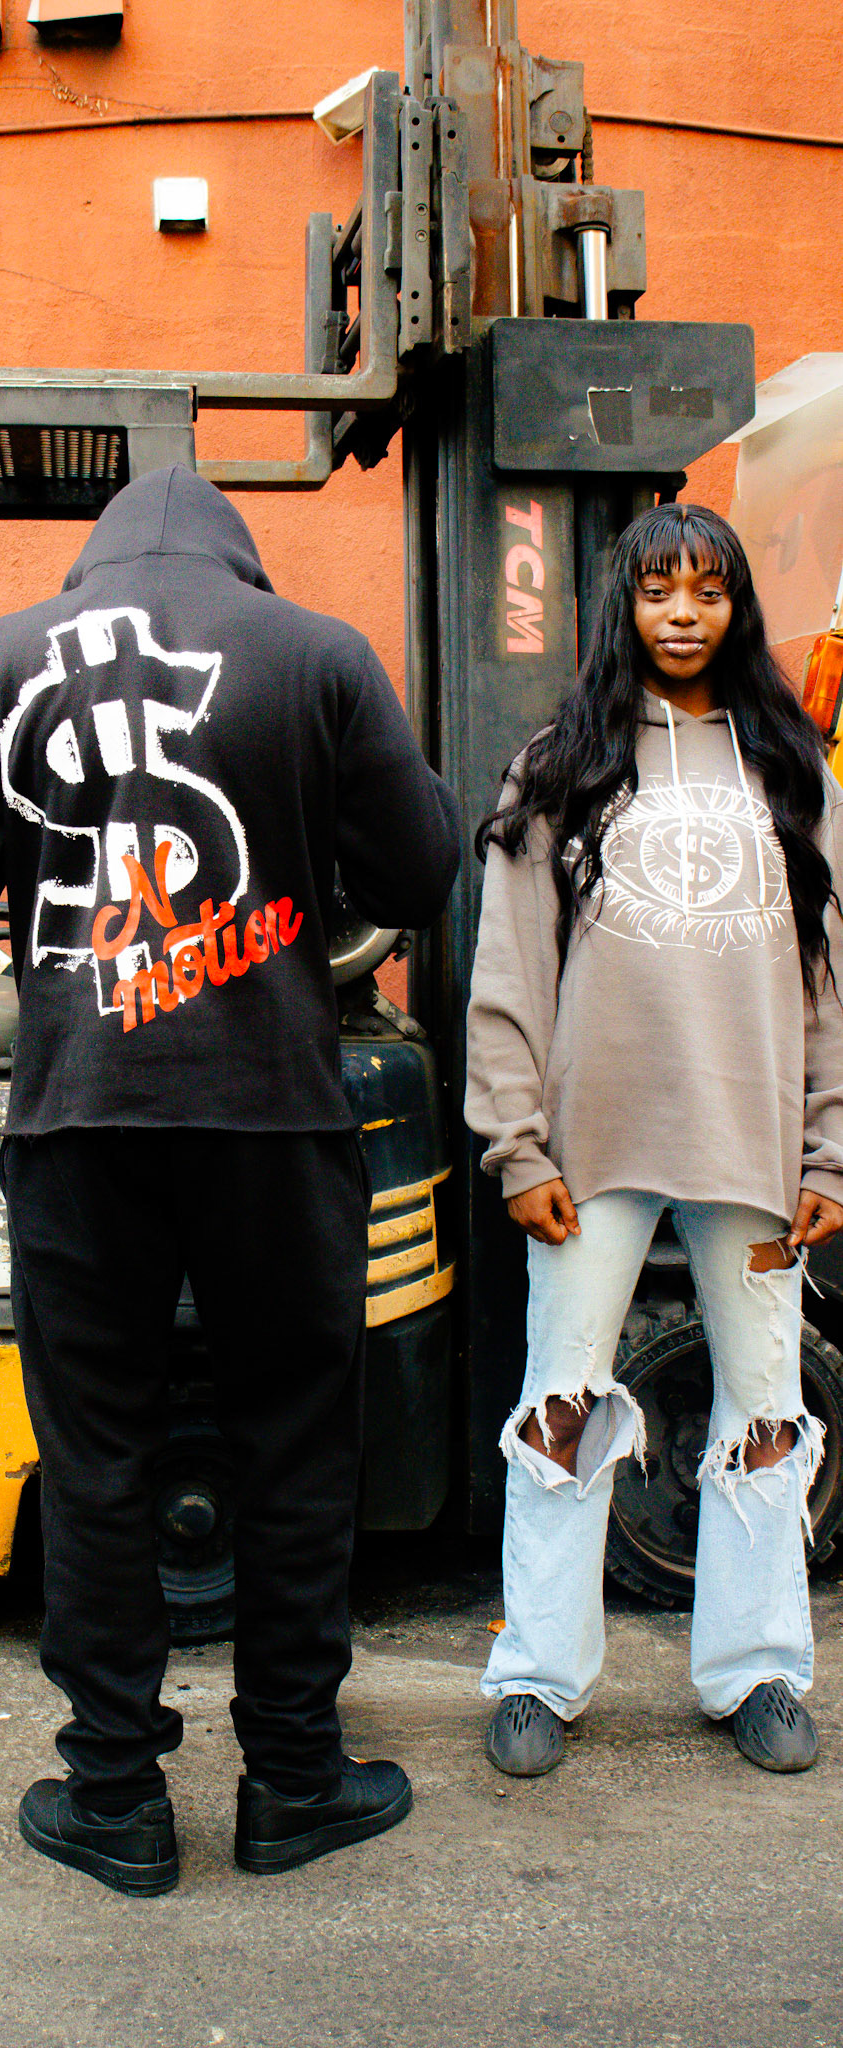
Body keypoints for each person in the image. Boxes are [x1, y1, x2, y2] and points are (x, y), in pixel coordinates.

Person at [0, 463, 460, 1893]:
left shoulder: (8, 653)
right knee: (294, 1449)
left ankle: (115, 1797)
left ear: (93, 557)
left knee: (98, 1460)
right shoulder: (318, 651)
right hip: (272, 1117)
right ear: (240, 554)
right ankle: (295, 1781)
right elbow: (420, 864)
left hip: (81, 1121)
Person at [466, 501, 843, 1778]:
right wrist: (519, 1145)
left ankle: (758, 1669)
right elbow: (509, 968)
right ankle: (539, 1674)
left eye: (709, 591)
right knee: (559, 1408)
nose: (684, 613)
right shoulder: (561, 765)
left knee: (768, 1412)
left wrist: (830, 1151)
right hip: (595, 1144)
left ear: (738, 608)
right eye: (658, 590)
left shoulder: (792, 769)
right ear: (621, 606)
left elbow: (832, 980)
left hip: (756, 1142)